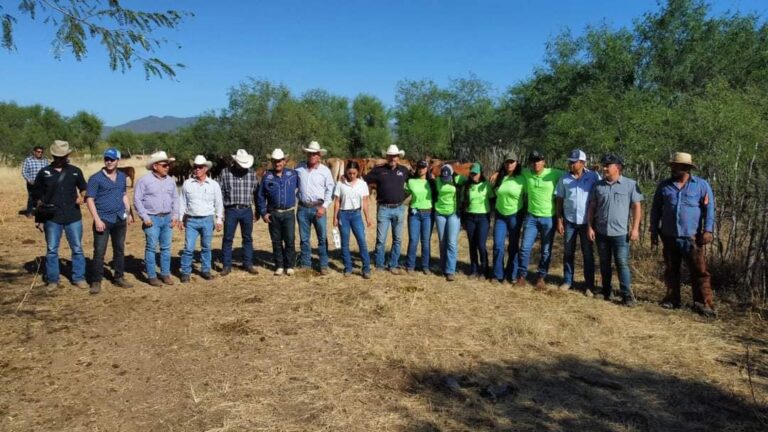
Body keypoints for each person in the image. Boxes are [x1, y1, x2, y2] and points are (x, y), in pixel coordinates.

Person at [649, 152, 716, 318]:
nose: (673, 169)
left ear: (686, 168)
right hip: (669, 235)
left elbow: (709, 210)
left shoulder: (701, 185)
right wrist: (653, 231)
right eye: (673, 166)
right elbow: (655, 209)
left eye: (677, 166)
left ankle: (703, 304)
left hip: (693, 237)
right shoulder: (664, 186)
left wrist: (708, 230)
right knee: (671, 270)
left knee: (699, 271)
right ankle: (672, 299)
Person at [587, 153, 644, 306]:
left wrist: (635, 229)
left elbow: (637, 207)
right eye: (604, 165)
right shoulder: (598, 185)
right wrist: (590, 227)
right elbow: (592, 207)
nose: (604, 168)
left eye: (608, 166)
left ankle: (627, 295)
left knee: (622, 263)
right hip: (601, 232)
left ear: (617, 167)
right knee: (604, 262)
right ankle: (606, 291)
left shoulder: (630, 185)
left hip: (620, 234)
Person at [32, 140, 88, 293]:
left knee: (77, 248)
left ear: (67, 155)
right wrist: (39, 219)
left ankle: (79, 278)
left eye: (62, 156)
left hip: (73, 216)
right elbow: (37, 198)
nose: (60, 159)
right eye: (57, 156)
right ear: (53, 156)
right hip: (52, 217)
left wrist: (82, 197)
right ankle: (52, 280)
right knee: (51, 250)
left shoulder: (75, 171)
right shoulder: (44, 173)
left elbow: (84, 188)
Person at [85, 148, 134, 294]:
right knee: (99, 251)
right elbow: (90, 200)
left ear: (118, 160)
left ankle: (119, 277)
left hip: (119, 218)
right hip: (103, 220)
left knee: (119, 249)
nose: (109, 161)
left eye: (112, 159)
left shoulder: (121, 177)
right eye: (107, 158)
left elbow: (123, 195)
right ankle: (96, 281)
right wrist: (97, 220)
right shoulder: (95, 178)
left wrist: (129, 213)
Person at [517, 150, 565, 289]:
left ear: (544, 161)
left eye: (538, 160)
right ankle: (521, 276)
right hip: (531, 217)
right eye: (533, 161)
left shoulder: (554, 173)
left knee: (545, 250)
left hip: (548, 219)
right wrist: (497, 173)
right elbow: (510, 169)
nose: (536, 163)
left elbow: (570, 176)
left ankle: (541, 277)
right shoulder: (526, 173)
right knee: (525, 248)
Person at [555, 149, 600, 294]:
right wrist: (559, 220)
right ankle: (568, 281)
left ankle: (589, 285)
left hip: (587, 223)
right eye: (570, 162)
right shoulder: (564, 178)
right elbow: (559, 199)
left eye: (574, 162)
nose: (571, 164)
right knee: (568, 252)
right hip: (570, 221)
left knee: (588, 254)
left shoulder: (593, 177)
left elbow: (600, 194)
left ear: (582, 163)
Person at [134, 151, 179, 287]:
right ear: (155, 166)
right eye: (164, 165)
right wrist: (145, 216)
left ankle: (165, 274)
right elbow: (137, 200)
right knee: (151, 247)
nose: (167, 167)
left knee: (166, 248)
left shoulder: (171, 181)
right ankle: (152, 276)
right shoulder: (144, 181)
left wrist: (175, 215)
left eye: (168, 165)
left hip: (167, 218)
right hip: (152, 218)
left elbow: (175, 199)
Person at [364, 145, 410, 274]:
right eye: (390, 155)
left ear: (398, 157)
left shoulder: (404, 170)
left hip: (399, 208)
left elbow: (416, 180)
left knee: (398, 239)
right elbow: (364, 180)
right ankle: (379, 264)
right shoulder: (378, 170)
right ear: (387, 157)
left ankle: (393, 264)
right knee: (381, 239)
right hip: (384, 209)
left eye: (395, 156)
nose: (392, 158)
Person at [179, 155, 223, 282]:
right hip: (191, 220)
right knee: (188, 248)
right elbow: (182, 202)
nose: (197, 169)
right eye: (195, 167)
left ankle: (205, 270)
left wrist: (219, 220)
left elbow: (218, 203)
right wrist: (181, 219)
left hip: (207, 220)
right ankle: (186, 272)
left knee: (206, 247)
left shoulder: (214, 185)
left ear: (205, 169)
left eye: (200, 167)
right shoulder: (187, 184)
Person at [258, 149, 299, 276]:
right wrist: (264, 212)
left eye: (280, 161)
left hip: (288, 213)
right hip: (273, 213)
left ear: (284, 161)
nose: (278, 163)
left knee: (290, 239)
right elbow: (260, 196)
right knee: (276, 241)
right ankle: (279, 265)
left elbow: (301, 187)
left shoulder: (293, 174)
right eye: (275, 161)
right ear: (272, 162)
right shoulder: (266, 177)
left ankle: (290, 265)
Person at [296, 141, 335, 274]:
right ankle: (306, 263)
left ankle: (323, 264)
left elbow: (330, 190)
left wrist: (324, 207)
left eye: (315, 154)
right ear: (307, 154)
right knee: (304, 238)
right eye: (310, 153)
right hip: (302, 207)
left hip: (319, 208)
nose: (312, 156)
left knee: (322, 237)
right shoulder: (299, 168)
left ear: (319, 156)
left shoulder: (325, 171)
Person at [219, 149, 260, 276]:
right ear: (235, 161)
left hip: (247, 210)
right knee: (227, 238)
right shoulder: (225, 173)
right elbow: (219, 194)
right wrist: (220, 213)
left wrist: (257, 210)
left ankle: (248, 264)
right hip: (230, 210)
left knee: (247, 238)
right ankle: (226, 266)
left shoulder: (252, 174)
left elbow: (256, 194)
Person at [333, 160, 372, 278]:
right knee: (344, 243)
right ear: (346, 172)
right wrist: (335, 217)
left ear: (358, 172)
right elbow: (337, 202)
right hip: (343, 215)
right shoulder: (340, 184)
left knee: (362, 241)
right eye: (350, 173)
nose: (352, 175)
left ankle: (366, 269)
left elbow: (365, 202)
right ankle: (348, 267)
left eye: (354, 173)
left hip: (356, 215)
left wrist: (367, 217)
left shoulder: (362, 184)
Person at [492, 152, 526, 284]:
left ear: (517, 163)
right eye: (507, 162)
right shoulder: (500, 177)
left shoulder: (522, 178)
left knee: (513, 246)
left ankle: (511, 274)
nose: (509, 164)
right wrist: (496, 173)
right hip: (500, 215)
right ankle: (497, 274)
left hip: (515, 215)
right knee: (498, 245)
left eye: (512, 162)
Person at [434, 164, 467, 281]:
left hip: (453, 213)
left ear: (452, 174)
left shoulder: (459, 179)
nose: (445, 180)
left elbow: (472, 179)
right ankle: (442, 267)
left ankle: (450, 270)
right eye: (444, 178)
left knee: (452, 243)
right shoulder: (437, 180)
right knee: (442, 242)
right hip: (440, 213)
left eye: (447, 178)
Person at [461, 162, 493, 279]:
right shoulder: (467, 186)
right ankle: (474, 269)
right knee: (472, 244)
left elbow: (492, 199)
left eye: (476, 173)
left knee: (481, 244)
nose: (473, 176)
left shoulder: (486, 185)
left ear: (480, 173)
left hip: (483, 217)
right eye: (472, 173)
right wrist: (463, 220)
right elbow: (463, 203)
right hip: (470, 217)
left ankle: (484, 269)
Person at [404, 159, 434, 274]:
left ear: (427, 169)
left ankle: (425, 266)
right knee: (413, 240)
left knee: (425, 241)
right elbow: (402, 191)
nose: (421, 169)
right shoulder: (411, 181)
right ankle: (410, 265)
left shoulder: (431, 182)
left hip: (428, 214)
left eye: (423, 167)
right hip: (414, 214)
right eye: (419, 167)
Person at [22, 145, 48, 218]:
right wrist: (29, 180)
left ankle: (41, 212)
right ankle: (29, 212)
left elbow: (48, 171)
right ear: (34, 152)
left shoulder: (45, 161)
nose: (40, 153)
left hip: (42, 183)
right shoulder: (28, 160)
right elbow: (24, 171)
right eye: (38, 152)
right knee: (31, 197)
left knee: (42, 198)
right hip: (32, 183)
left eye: (41, 152)